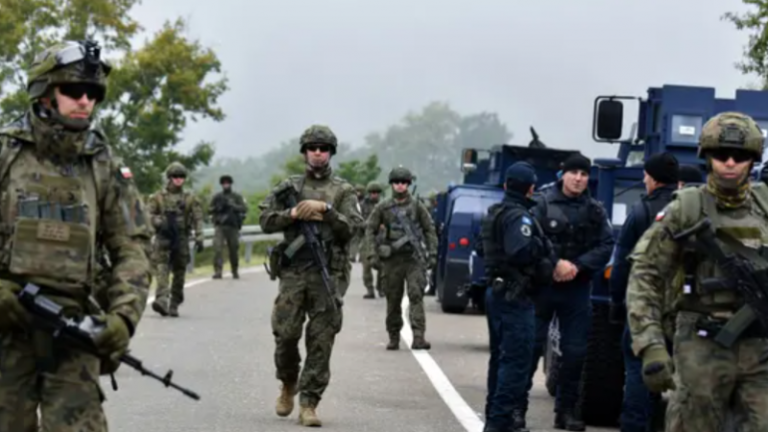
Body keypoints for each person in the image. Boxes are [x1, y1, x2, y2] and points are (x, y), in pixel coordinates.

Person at [0, 39, 152, 431]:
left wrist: (123, 318)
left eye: (93, 93)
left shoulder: (102, 165)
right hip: (6, 329)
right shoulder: (6, 153)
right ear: (45, 92)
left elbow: (132, 247)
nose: (85, 100)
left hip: (73, 329)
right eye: (73, 90)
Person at [627, 111, 768, 432]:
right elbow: (645, 274)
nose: (730, 163)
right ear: (707, 157)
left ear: (752, 160)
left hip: (761, 351)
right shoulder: (687, 208)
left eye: (739, 156)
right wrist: (650, 345)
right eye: (721, 154)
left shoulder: (765, 206)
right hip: (701, 346)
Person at [259, 124, 362, 426]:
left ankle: (309, 403)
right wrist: (291, 214)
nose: (318, 153)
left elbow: (354, 228)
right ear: (304, 152)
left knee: (321, 340)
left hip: (328, 273)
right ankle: (288, 381)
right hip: (294, 272)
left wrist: (327, 210)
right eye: (313, 148)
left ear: (331, 153)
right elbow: (265, 219)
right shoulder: (289, 186)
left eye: (324, 148)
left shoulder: (343, 191)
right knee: (285, 334)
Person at [523, 153, 615, 431]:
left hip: (577, 288)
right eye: (574, 173)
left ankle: (566, 412)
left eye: (584, 174)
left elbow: (606, 245)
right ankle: (517, 409)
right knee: (530, 348)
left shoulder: (595, 210)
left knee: (575, 353)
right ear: (563, 174)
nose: (578, 179)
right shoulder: (542, 203)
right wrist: (555, 264)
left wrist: (576, 266)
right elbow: (530, 240)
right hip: (544, 287)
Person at [608, 152, 680, 432]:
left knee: (639, 371)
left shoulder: (640, 211)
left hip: (645, 308)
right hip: (684, 309)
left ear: (653, 179)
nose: (644, 180)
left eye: (646, 176)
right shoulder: (692, 211)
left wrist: (617, 303)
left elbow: (621, 264)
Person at [481, 162, 555, 432]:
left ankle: (494, 417)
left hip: (498, 292)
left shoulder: (495, 212)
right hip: (515, 296)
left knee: (500, 358)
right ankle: (499, 422)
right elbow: (520, 251)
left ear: (505, 185)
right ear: (530, 189)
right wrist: (541, 246)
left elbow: (482, 247)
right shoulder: (518, 217)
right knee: (515, 362)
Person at [365, 166, 438, 350]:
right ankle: (394, 336)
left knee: (416, 295)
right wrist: (372, 254)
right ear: (392, 184)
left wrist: (432, 254)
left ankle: (418, 336)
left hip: (413, 259)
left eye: (404, 182)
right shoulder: (383, 207)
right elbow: (370, 229)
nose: (400, 185)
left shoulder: (417, 206)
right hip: (392, 260)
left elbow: (429, 229)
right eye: (396, 182)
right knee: (393, 299)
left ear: (408, 184)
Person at [147, 162, 204, 317]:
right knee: (161, 268)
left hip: (181, 238)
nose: (178, 179)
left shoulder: (190, 198)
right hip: (163, 238)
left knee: (179, 271)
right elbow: (147, 215)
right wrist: (158, 221)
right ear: (169, 178)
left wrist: (199, 236)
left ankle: (175, 302)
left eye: (181, 176)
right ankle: (162, 299)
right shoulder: (157, 197)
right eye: (175, 176)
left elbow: (198, 218)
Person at [209, 174, 248, 279]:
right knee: (217, 248)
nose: (226, 185)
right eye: (224, 183)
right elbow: (209, 209)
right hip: (220, 226)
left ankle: (234, 270)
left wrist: (233, 206)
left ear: (230, 184)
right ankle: (218, 271)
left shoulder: (236, 197)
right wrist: (218, 208)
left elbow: (244, 208)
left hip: (233, 226)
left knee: (233, 249)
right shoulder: (217, 197)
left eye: (227, 183)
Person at [361, 181, 384, 299]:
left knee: (382, 266)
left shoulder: (384, 205)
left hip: (381, 238)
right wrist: (368, 225)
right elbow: (357, 220)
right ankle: (370, 289)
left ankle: (381, 288)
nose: (374, 195)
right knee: (366, 266)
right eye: (372, 192)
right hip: (366, 238)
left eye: (376, 193)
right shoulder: (362, 206)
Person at [349, 184, 367, 262]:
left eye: (359, 191)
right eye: (357, 191)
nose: (358, 193)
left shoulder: (364, 202)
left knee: (361, 240)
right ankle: (353, 255)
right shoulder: (353, 201)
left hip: (362, 222)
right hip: (357, 223)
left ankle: (359, 256)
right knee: (356, 240)